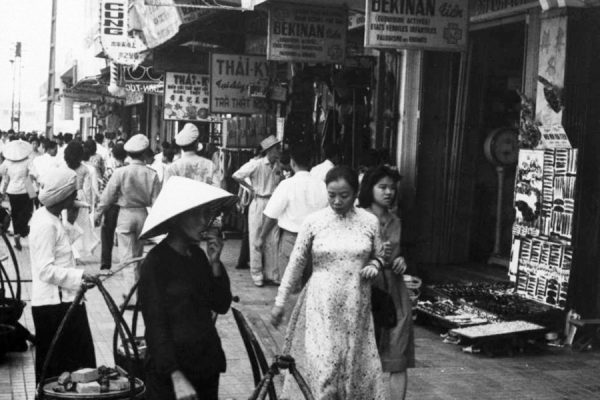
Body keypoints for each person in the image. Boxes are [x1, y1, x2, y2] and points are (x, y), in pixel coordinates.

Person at [270, 166, 388, 399]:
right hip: (321, 304)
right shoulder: (314, 221)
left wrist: (375, 266)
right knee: (324, 369)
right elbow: (296, 263)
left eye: (343, 195)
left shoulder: (369, 221)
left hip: (356, 304)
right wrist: (280, 301)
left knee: (353, 367)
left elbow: (381, 254)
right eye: (331, 194)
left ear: (355, 193)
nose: (336, 201)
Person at [138, 177, 234, 400]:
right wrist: (175, 375)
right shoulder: (155, 263)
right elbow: (155, 325)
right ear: (178, 219)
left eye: (206, 214)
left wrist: (216, 264)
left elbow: (221, 304)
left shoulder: (199, 256)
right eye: (197, 214)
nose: (204, 222)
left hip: (205, 364)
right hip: (171, 373)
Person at [29, 167, 104, 383]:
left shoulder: (51, 218)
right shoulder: (45, 224)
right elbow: (45, 270)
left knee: (78, 364)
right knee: (57, 370)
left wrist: (70, 218)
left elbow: (63, 250)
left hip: (66, 300)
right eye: (73, 194)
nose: (76, 197)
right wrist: (80, 275)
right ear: (63, 196)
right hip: (54, 305)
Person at [358, 166, 415, 400]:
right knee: (363, 354)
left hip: (395, 292)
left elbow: (412, 251)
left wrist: (403, 259)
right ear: (369, 189)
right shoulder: (358, 218)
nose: (388, 192)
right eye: (382, 187)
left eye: (392, 188)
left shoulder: (399, 221)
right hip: (367, 289)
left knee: (397, 353)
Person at [96, 134, 160, 301]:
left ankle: (131, 296)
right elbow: (156, 202)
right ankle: (137, 293)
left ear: (128, 154)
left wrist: (98, 213)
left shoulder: (120, 172)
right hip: (143, 215)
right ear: (145, 152)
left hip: (125, 214)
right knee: (138, 257)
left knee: (126, 257)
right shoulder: (152, 174)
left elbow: (107, 196)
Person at [257, 143, 328, 285]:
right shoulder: (322, 185)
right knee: (311, 285)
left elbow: (271, 215)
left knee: (290, 285)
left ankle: (291, 307)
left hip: (292, 239)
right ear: (311, 162)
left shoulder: (287, 185)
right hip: (317, 240)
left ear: (292, 162)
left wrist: (261, 237)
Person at [232, 135, 282, 287]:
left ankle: (271, 273)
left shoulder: (277, 165)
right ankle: (257, 273)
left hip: (272, 202)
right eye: (276, 149)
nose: (278, 151)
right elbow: (236, 175)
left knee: (273, 238)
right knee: (256, 237)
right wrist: (250, 188)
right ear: (269, 150)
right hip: (259, 201)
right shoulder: (256, 164)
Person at [64, 141, 99, 262]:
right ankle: (77, 253)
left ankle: (71, 251)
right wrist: (90, 204)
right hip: (80, 195)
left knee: (68, 224)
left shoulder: (65, 167)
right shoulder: (85, 169)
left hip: (66, 195)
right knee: (81, 225)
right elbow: (88, 187)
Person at [0, 139, 34, 250]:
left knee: (15, 212)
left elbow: (4, 177)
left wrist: (2, 192)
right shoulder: (28, 161)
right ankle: (22, 231)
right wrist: (33, 192)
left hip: (12, 191)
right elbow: (32, 175)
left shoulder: (7, 162)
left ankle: (17, 234)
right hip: (26, 190)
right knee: (28, 211)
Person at [99, 143, 127, 270]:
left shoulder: (110, 172)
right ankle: (126, 263)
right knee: (125, 237)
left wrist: (99, 210)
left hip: (111, 207)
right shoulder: (129, 170)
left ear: (113, 155)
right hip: (126, 207)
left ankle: (106, 263)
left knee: (107, 234)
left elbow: (103, 191)